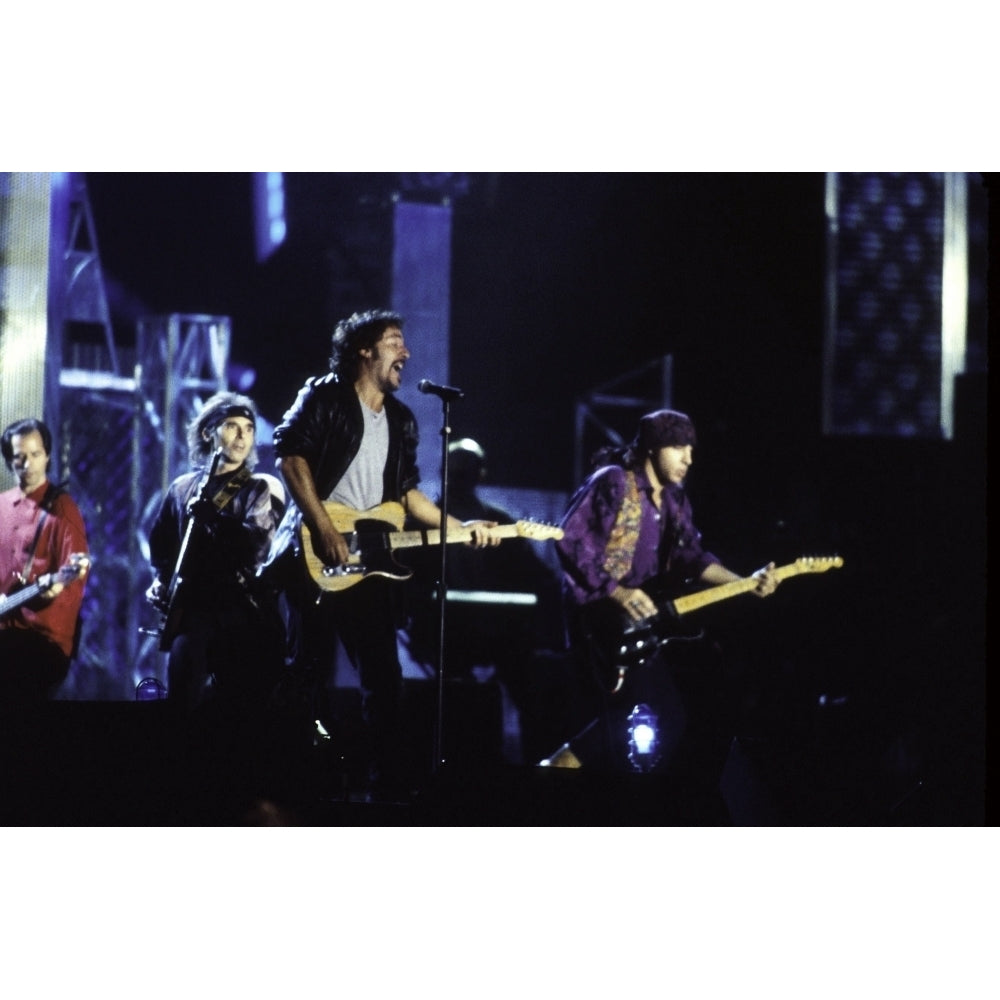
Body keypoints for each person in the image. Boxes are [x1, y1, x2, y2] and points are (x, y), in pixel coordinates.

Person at [263, 309, 499, 799]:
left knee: (385, 680)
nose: (406, 353)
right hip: (315, 555)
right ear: (364, 351)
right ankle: (296, 784)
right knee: (306, 675)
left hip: (369, 563)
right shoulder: (325, 395)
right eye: (394, 342)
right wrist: (325, 528)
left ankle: (380, 787)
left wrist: (461, 528)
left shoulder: (402, 420)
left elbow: (408, 495)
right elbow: (290, 458)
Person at [550, 409, 779, 809]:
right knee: (630, 719)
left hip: (641, 627)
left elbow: (693, 557)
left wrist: (746, 582)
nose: (688, 457)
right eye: (678, 447)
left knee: (662, 718)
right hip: (598, 620)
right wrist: (617, 593)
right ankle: (551, 780)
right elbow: (569, 540)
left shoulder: (672, 500)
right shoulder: (615, 482)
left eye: (691, 448)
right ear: (653, 448)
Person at [403, 438, 565, 765]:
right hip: (442, 634)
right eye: (455, 472)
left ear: (480, 474)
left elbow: (538, 573)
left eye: (467, 472)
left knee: (531, 693)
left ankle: (540, 771)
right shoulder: (418, 524)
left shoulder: (501, 522)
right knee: (445, 706)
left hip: (497, 634)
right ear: (444, 473)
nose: (460, 479)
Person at [146, 391, 287, 757]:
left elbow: (257, 546)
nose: (242, 436)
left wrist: (216, 519)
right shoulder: (181, 488)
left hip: (241, 616)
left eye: (249, 428)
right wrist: (161, 581)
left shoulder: (261, 486)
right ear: (209, 433)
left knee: (238, 714)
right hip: (192, 615)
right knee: (183, 705)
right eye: (231, 426)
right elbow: (160, 545)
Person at [0, 418, 89, 706]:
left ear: (47, 455)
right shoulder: (2, 505)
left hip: (41, 639)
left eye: (35, 455)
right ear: (8, 460)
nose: (27, 464)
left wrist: (54, 589)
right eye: (19, 457)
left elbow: (73, 574)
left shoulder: (62, 507)